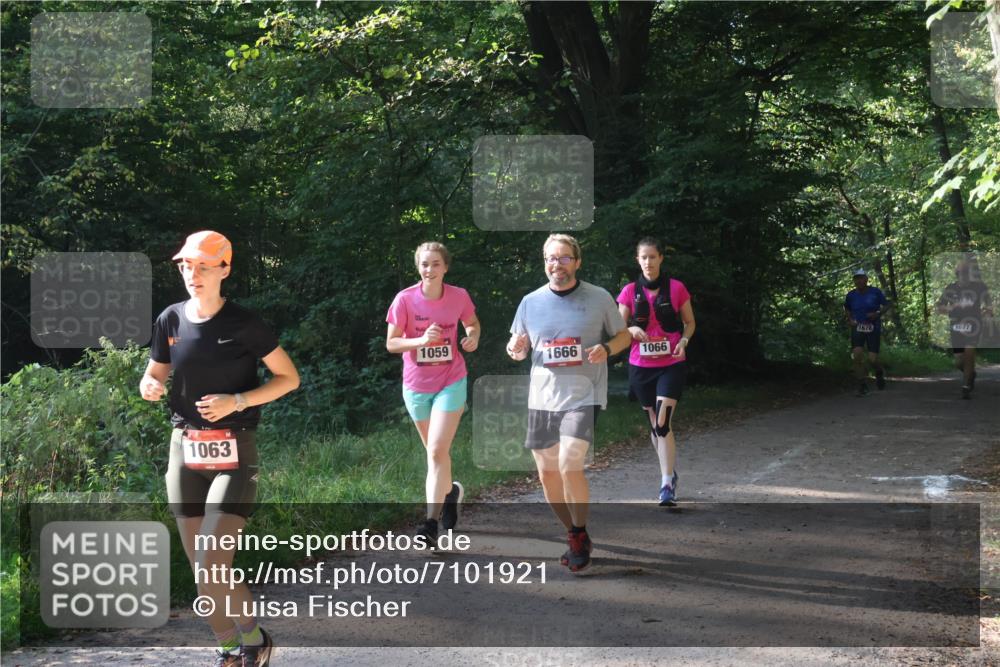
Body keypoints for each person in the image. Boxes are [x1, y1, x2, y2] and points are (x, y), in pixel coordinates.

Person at [140, 231, 299, 667]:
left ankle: (254, 638)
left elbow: (289, 378)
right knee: (201, 571)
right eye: (186, 265)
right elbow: (153, 374)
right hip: (184, 451)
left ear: (225, 269)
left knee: (211, 561)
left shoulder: (245, 324)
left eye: (203, 265)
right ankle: (233, 646)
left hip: (234, 453)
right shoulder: (170, 319)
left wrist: (239, 401)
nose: (193, 273)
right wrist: (149, 385)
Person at [507, 234, 631, 572]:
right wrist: (516, 349)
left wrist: (606, 349)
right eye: (550, 258)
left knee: (568, 465)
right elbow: (517, 347)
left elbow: (623, 335)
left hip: (584, 394)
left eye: (564, 258)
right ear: (544, 262)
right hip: (542, 397)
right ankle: (575, 531)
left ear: (577, 262)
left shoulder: (599, 297)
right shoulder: (530, 302)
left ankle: (577, 534)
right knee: (547, 474)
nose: (556, 265)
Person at [386, 242, 480, 546]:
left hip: (451, 380)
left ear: (445, 267)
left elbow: (473, 324)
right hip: (415, 386)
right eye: (425, 264)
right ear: (418, 267)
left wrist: (472, 338)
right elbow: (391, 344)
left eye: (436, 264)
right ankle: (450, 493)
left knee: (437, 451)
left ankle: (429, 523)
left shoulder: (459, 296)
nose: (430, 269)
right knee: (435, 453)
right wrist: (420, 341)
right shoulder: (404, 300)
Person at [616, 238, 695, 506]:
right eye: (643, 258)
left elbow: (690, 323)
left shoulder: (676, 288)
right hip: (641, 367)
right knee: (655, 424)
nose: (648, 262)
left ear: (661, 258)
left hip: (671, 363)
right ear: (637, 260)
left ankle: (665, 485)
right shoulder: (629, 291)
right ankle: (669, 471)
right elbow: (617, 327)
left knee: (663, 423)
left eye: (653, 257)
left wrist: (684, 341)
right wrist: (629, 330)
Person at [936, 257, 994, 399]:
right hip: (956, 325)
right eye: (961, 272)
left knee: (969, 352)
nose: (964, 275)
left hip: (974, 324)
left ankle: (966, 385)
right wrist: (951, 307)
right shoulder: (951, 288)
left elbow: (989, 304)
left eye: (967, 272)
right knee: (959, 362)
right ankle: (971, 374)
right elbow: (939, 307)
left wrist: (988, 311)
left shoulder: (979, 287)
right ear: (957, 274)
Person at [844, 268, 890, 397]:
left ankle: (879, 372)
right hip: (857, 327)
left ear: (866, 279)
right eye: (856, 279)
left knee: (872, 359)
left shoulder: (875, 292)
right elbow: (847, 308)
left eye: (860, 278)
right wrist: (850, 319)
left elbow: (886, 305)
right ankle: (862, 384)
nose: (858, 281)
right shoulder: (851, 295)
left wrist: (877, 313)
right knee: (857, 355)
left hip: (873, 327)